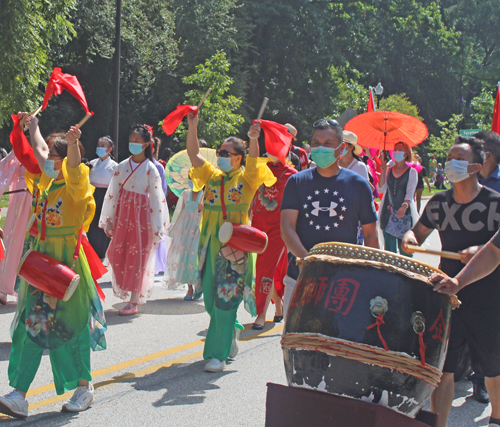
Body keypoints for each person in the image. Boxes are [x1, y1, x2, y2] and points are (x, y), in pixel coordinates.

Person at [0, 113, 107, 419]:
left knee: (70, 329)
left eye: (53, 155)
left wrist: (73, 145)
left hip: (66, 263)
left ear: (65, 159)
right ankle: (19, 394)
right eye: (48, 154)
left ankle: (84, 387)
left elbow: (73, 165)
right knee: (28, 326)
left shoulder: (78, 184)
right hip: (40, 260)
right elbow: (38, 151)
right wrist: (33, 127)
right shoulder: (45, 181)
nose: (47, 158)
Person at [402, 136, 500, 427]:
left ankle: (496, 418)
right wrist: (409, 239)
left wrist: (476, 252)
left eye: (459, 158)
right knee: (444, 370)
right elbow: (416, 234)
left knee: (493, 367)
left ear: (476, 167)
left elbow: (494, 254)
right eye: (449, 157)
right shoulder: (439, 202)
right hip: (448, 295)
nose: (450, 164)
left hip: (488, 298)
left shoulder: (495, 204)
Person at [186, 112, 276, 372]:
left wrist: (253, 139)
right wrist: (193, 127)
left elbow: (255, 162)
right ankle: (232, 331)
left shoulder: (246, 179)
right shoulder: (212, 176)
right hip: (209, 243)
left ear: (238, 157)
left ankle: (218, 354)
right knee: (211, 298)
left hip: (235, 245)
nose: (221, 156)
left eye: (227, 153)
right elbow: (194, 155)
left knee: (226, 297)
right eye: (220, 152)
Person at [281, 119, 379, 318]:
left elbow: (370, 235)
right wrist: (308, 261)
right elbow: (287, 226)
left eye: (327, 143)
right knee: (295, 344)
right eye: (316, 143)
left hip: (344, 283)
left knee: (335, 344)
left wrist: (372, 275)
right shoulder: (297, 182)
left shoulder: (359, 184)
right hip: (300, 277)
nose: (320, 148)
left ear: (341, 148)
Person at [99, 124, 169, 315]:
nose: (133, 144)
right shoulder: (122, 166)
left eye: (138, 141)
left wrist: (157, 226)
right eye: (131, 140)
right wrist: (110, 219)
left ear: (146, 144)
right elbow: (113, 193)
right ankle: (129, 292)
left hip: (142, 217)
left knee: (138, 256)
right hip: (123, 215)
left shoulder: (151, 169)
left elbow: (156, 199)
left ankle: (134, 300)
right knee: (116, 254)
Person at [251, 154, 297, 329]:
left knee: (265, 267)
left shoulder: (292, 175)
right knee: (270, 269)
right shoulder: (261, 168)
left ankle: (261, 313)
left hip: (279, 229)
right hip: (258, 225)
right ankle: (278, 305)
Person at [163, 178, 204, 300]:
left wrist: (202, 209)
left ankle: (199, 285)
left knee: (196, 257)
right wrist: (176, 229)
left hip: (198, 229)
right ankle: (190, 288)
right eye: (191, 178)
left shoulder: (205, 195)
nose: (193, 181)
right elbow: (180, 212)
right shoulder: (185, 194)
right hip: (185, 230)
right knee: (185, 257)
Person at [0, 150, 31, 304]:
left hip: (36, 199)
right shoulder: (20, 154)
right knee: (11, 238)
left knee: (28, 242)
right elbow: (4, 167)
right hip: (19, 196)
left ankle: (23, 288)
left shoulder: (44, 155)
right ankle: (3, 286)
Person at [377, 141, 418, 257]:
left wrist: (404, 206)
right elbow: (380, 189)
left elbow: (410, 192)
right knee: (390, 252)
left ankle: (406, 274)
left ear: (406, 154)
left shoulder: (412, 172)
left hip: (403, 214)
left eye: (400, 149)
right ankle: (391, 274)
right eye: (395, 149)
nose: (397, 152)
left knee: (405, 250)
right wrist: (383, 171)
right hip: (387, 213)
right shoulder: (389, 170)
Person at [87, 136, 118, 259]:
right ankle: (92, 249)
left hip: (107, 196)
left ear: (109, 149)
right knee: (91, 223)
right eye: (98, 145)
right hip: (92, 194)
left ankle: (101, 252)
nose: (99, 147)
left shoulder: (114, 166)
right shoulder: (92, 163)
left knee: (103, 224)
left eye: (103, 146)